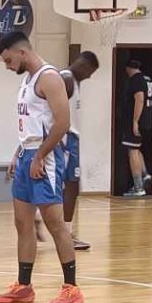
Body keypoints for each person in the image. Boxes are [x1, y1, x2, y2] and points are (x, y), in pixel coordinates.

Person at [0, 31, 83, 303]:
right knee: (22, 223)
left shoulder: (49, 77)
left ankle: (72, 288)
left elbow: (62, 123)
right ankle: (24, 286)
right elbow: (31, 124)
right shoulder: (27, 80)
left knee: (55, 224)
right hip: (27, 154)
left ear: (22, 52)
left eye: (8, 60)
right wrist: (18, 153)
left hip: (46, 157)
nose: (8, 66)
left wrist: (39, 156)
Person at [59, 52, 99, 250]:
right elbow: (51, 110)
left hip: (70, 138)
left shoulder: (72, 80)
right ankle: (65, 234)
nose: (89, 76)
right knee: (71, 185)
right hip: (66, 138)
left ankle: (44, 220)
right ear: (83, 65)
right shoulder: (66, 79)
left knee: (69, 186)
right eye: (90, 72)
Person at [119, 57, 152, 197]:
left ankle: (138, 187)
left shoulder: (136, 79)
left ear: (128, 68)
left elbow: (139, 99)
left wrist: (135, 121)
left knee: (132, 151)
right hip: (148, 120)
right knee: (136, 148)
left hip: (137, 121)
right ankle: (145, 175)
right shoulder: (147, 79)